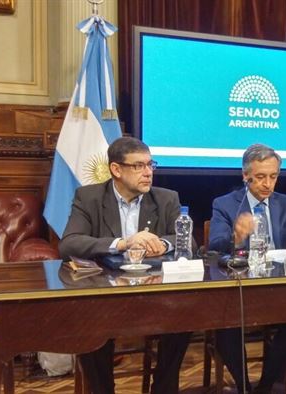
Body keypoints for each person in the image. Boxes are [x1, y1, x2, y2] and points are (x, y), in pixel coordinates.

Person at [59, 137, 191, 394]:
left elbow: (188, 239)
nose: (148, 173)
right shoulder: (89, 198)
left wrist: (164, 244)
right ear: (116, 170)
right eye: (139, 166)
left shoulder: (165, 198)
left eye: (151, 165)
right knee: (88, 322)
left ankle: (163, 389)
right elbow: (69, 244)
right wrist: (123, 243)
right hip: (105, 296)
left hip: (155, 294)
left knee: (183, 317)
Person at [209, 143, 286, 394]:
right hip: (240, 287)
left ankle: (266, 385)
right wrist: (236, 236)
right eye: (260, 177)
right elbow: (213, 247)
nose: (268, 184)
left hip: (278, 286)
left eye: (273, 177)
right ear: (246, 176)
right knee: (226, 325)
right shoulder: (225, 204)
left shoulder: (285, 203)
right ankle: (244, 386)